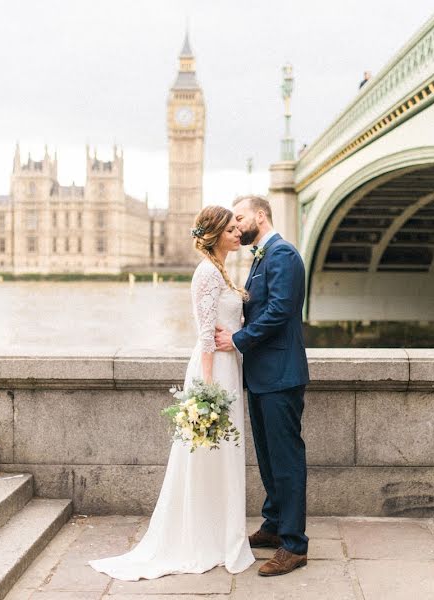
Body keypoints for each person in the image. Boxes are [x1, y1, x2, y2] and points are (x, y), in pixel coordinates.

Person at [88, 205, 255, 580]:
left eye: (236, 227)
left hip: (228, 367)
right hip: (214, 372)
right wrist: (209, 390)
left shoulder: (223, 271)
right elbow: (205, 334)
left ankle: (219, 533)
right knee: (206, 456)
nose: (237, 233)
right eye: (230, 229)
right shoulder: (207, 273)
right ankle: (202, 538)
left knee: (222, 455)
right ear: (214, 235)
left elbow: (227, 325)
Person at [214, 195, 310, 577]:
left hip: (280, 375)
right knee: (269, 459)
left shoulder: (283, 255)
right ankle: (273, 525)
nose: (236, 226)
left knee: (286, 462)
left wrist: (237, 340)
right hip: (263, 375)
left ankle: (294, 545)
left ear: (260, 215)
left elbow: (279, 311)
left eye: (239, 217)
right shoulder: (261, 257)